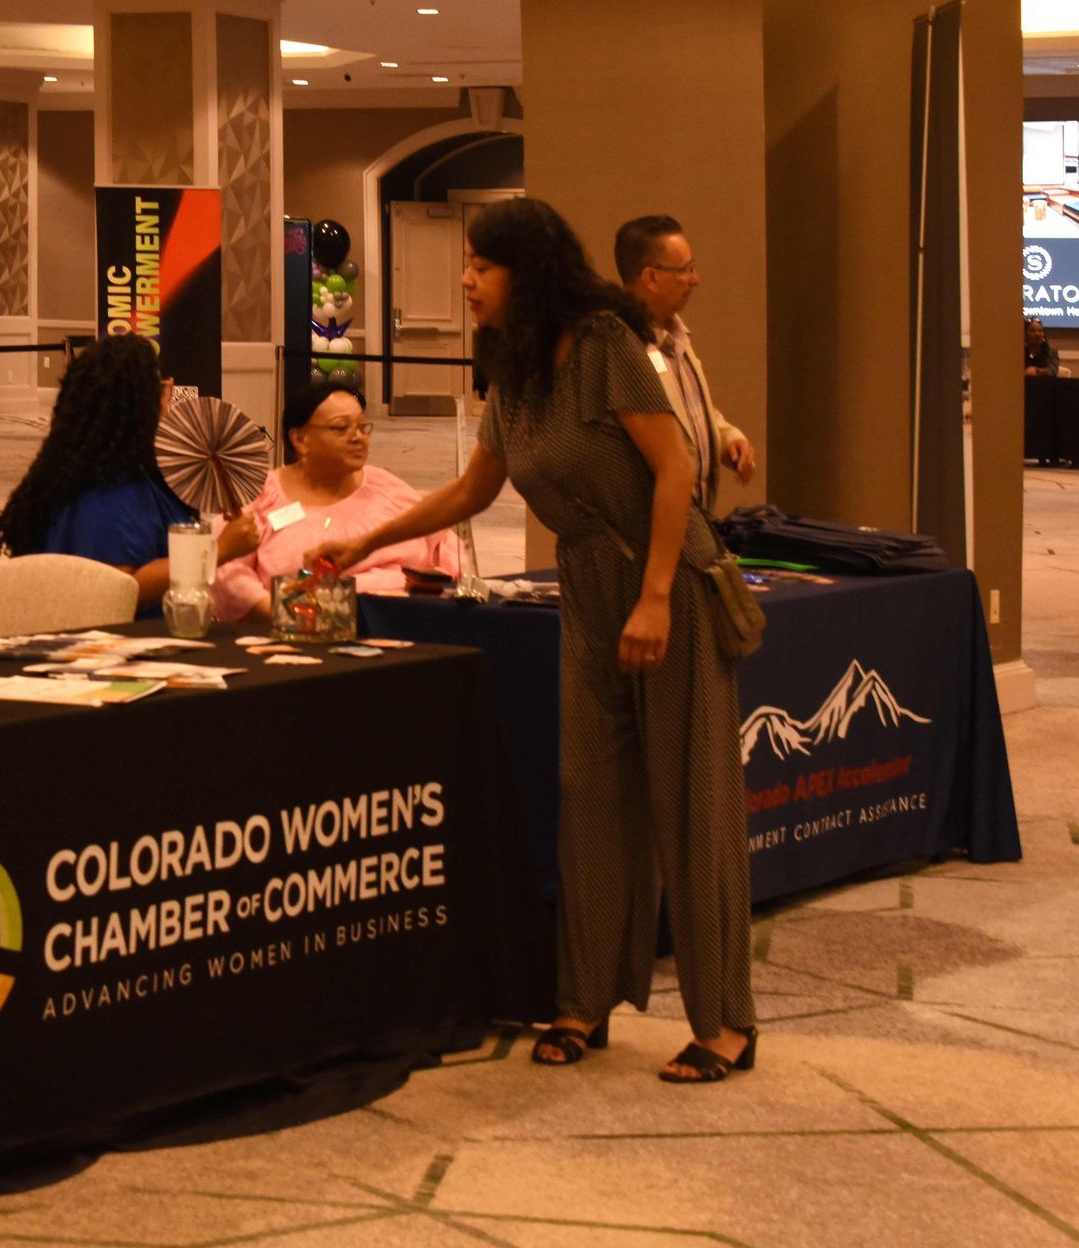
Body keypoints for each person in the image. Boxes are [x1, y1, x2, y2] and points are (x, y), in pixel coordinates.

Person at [314, 198, 756, 1083]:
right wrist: (365, 539)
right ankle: (583, 1002)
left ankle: (725, 1024)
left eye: (482, 265)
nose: (467, 280)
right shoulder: (514, 368)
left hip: (665, 582)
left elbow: (677, 470)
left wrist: (658, 598)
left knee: (687, 802)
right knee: (588, 795)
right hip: (589, 591)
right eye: (467, 265)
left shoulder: (603, 346)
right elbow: (477, 488)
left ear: (531, 270)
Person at [0, 333, 256, 614]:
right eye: (161, 388)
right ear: (140, 401)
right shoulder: (112, 491)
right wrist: (218, 551)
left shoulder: (106, 471)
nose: (167, 399)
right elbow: (118, 584)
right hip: (119, 646)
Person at [211, 380, 459, 623]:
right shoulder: (260, 497)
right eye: (341, 428)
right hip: (298, 628)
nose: (358, 438)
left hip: (403, 623)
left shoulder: (386, 488)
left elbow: (447, 545)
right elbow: (229, 574)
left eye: (362, 427)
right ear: (300, 440)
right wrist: (285, 615)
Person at [613, 216, 756, 508]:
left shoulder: (676, 335)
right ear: (651, 277)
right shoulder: (620, 349)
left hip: (694, 523)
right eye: (686, 270)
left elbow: (689, 410)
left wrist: (727, 439)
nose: (696, 280)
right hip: (649, 530)